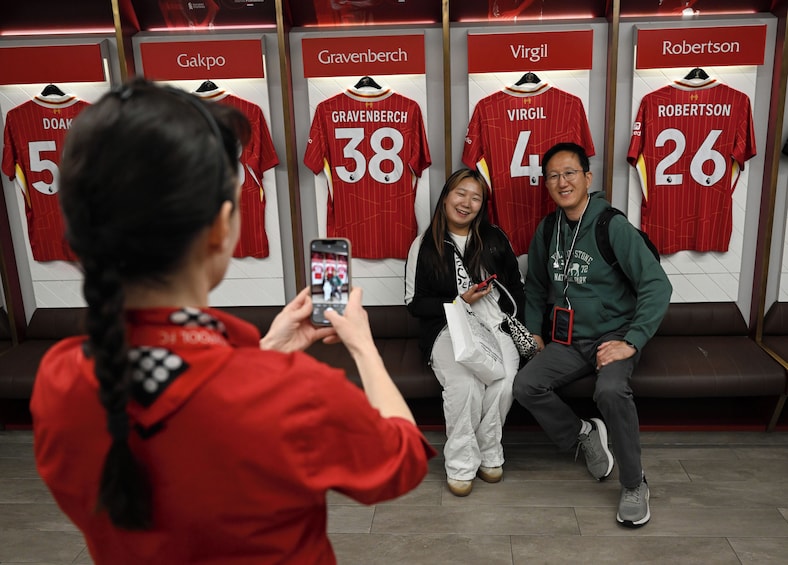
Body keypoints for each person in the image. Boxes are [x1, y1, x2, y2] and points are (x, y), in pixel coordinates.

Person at [30, 78, 436, 565]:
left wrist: (267, 351)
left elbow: (197, 408)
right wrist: (363, 347)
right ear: (222, 227)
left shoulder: (58, 379)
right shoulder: (292, 392)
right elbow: (402, 460)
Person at [512, 142, 671, 528]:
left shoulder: (610, 224)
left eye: (569, 173)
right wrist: (534, 331)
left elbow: (657, 285)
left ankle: (634, 484)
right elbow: (534, 285)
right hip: (567, 338)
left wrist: (631, 340)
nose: (561, 182)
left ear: (587, 177)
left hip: (614, 335)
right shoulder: (548, 228)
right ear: (546, 183)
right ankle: (583, 434)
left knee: (610, 391)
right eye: (553, 175)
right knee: (525, 385)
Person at [405, 168, 525, 497]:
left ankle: (489, 451)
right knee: (465, 385)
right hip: (448, 328)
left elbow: (517, 287)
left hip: (495, 324)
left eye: (476, 197)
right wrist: (458, 300)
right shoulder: (424, 246)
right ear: (445, 197)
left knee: (505, 382)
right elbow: (414, 304)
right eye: (460, 193)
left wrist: (524, 328)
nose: (466, 202)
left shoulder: (495, 238)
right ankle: (459, 463)